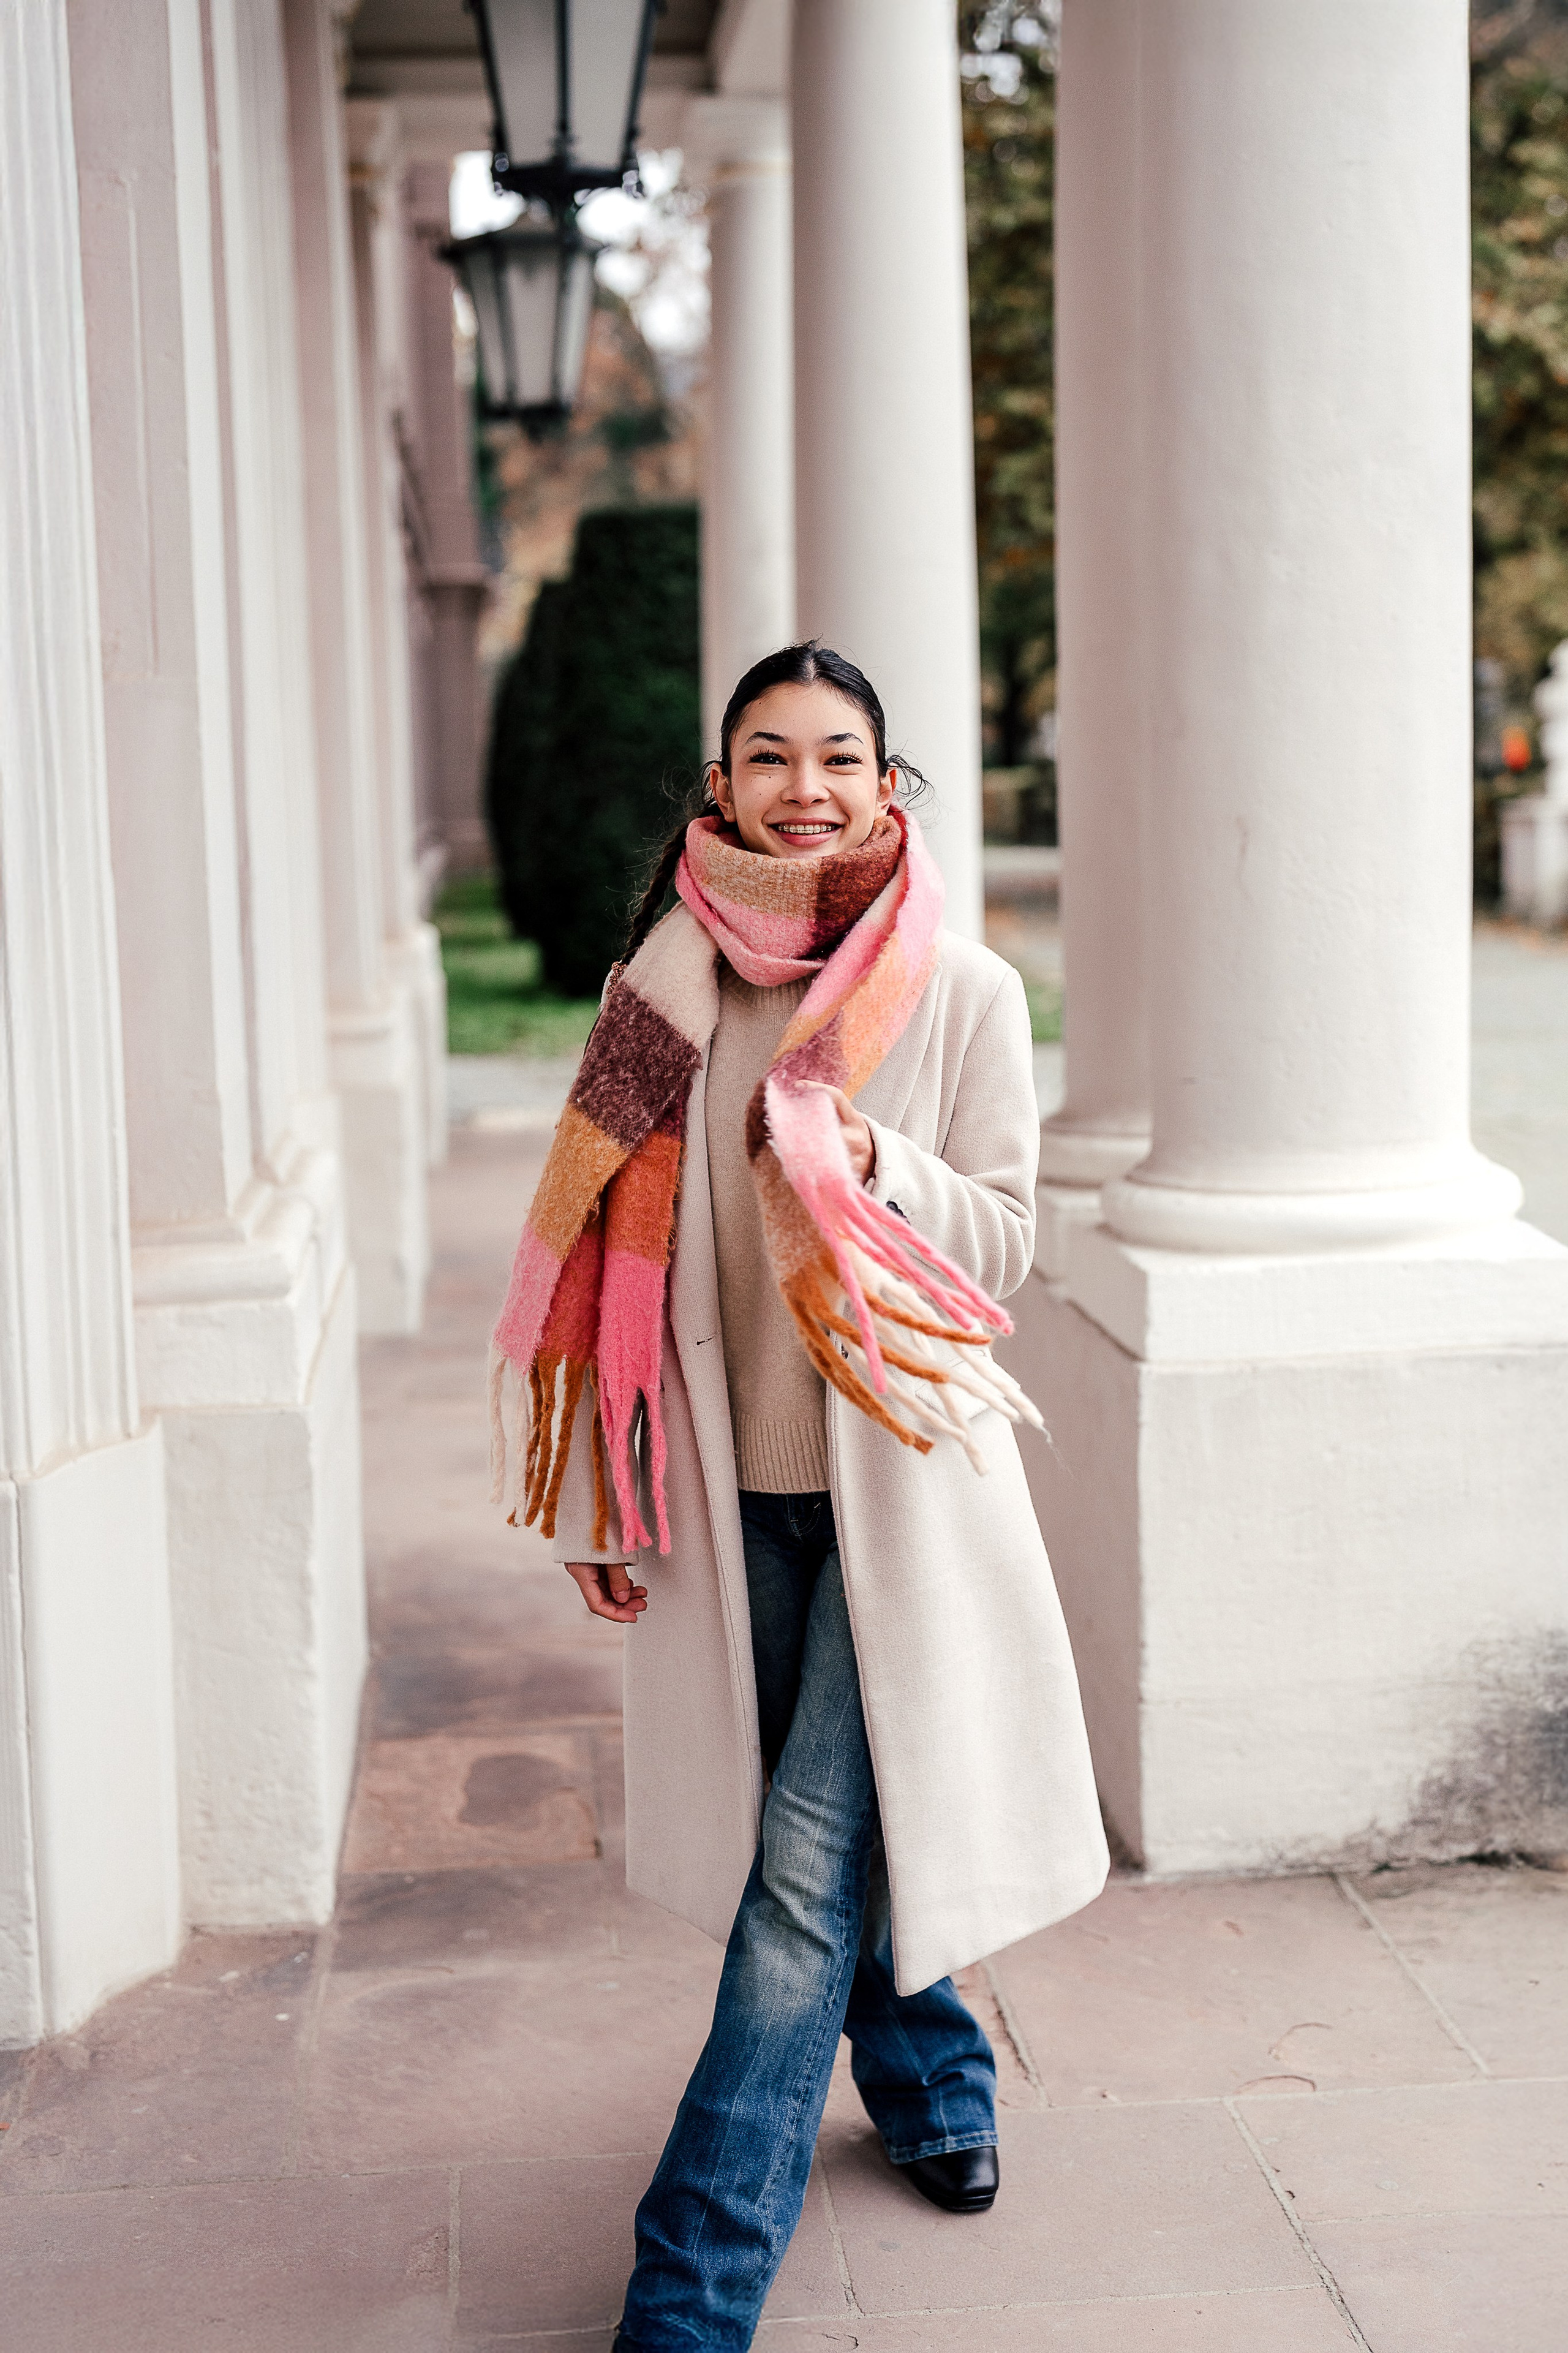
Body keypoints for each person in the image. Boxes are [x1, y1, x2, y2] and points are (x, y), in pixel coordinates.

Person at [489, 643, 1107, 2351]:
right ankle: (935, 2077)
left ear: (889, 786)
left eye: (840, 754)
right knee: (838, 1838)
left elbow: (999, 1251)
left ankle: (688, 2288)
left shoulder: (962, 993)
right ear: (723, 787)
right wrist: (599, 1506)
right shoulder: (659, 997)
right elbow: (589, 1270)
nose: (806, 784)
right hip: (727, 1491)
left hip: (900, 1485)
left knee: (802, 1872)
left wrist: (862, 1155)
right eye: (771, 755)